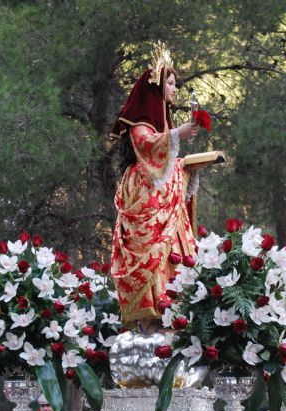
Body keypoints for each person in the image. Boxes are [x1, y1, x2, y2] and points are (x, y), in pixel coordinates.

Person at [111, 42, 208, 333]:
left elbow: (167, 164)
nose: (175, 89)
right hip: (143, 199)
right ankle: (149, 322)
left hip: (164, 205)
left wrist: (189, 167)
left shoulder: (162, 129)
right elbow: (147, 147)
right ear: (155, 87)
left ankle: (170, 318)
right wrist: (176, 134)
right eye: (170, 83)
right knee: (150, 259)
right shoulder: (140, 125)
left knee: (172, 257)